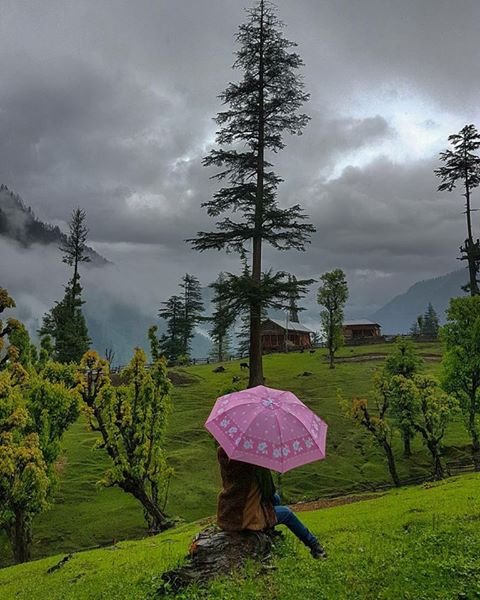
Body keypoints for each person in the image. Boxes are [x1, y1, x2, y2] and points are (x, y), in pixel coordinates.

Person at [216, 446, 326, 559]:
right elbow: (268, 491)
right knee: (287, 513)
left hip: (227, 511)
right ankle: (315, 546)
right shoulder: (254, 461)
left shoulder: (225, 453)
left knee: (276, 499)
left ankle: (269, 532)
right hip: (245, 516)